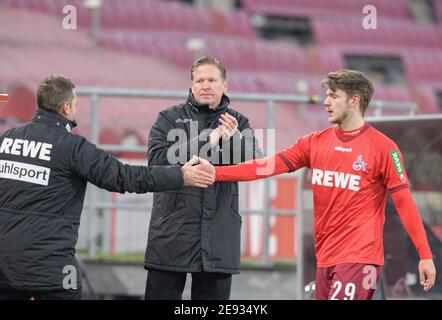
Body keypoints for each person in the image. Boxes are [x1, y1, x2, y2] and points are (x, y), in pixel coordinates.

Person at [196, 69, 436, 300]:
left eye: (333, 95)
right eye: (326, 95)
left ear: (354, 100)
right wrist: (216, 173)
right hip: (324, 258)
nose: (326, 102)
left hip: (360, 258)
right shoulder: (313, 143)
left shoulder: (384, 148)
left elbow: (405, 204)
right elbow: (266, 166)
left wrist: (425, 255)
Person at [0, 75, 214, 300]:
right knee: (70, 285)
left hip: (3, 267)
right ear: (65, 107)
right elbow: (125, 178)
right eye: (75, 104)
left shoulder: (7, 140)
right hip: (52, 270)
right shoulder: (73, 147)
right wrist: (180, 176)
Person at [144, 56, 262, 300]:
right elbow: (157, 161)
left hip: (219, 236)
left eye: (212, 80)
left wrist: (234, 139)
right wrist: (207, 139)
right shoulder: (168, 118)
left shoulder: (238, 123)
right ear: (191, 85)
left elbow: (256, 165)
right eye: (199, 80)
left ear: (225, 85)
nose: (205, 85)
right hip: (171, 234)